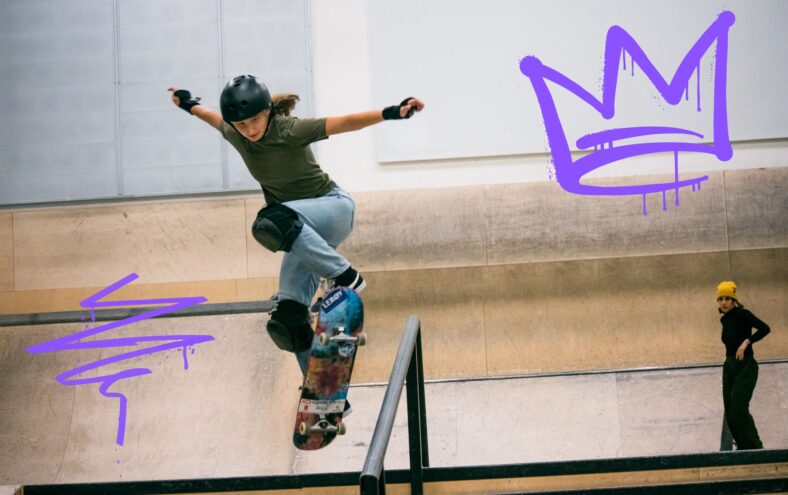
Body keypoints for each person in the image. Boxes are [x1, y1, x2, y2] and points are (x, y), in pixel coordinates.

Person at [169, 76, 424, 415]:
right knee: (287, 321)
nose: (249, 129)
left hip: (333, 209)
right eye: (242, 125)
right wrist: (187, 104)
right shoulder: (234, 132)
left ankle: (346, 277)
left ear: (268, 111)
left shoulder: (290, 130)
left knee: (271, 221)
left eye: (255, 120)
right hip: (301, 233)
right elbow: (211, 117)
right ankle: (328, 398)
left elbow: (345, 122)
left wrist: (392, 112)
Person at [716, 281, 770, 450]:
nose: (723, 302)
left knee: (738, 408)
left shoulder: (743, 314)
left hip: (746, 366)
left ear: (734, 300)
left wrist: (747, 341)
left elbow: (765, 328)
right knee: (730, 411)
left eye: (727, 298)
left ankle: (755, 446)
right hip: (729, 366)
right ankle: (742, 446)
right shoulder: (724, 320)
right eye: (720, 299)